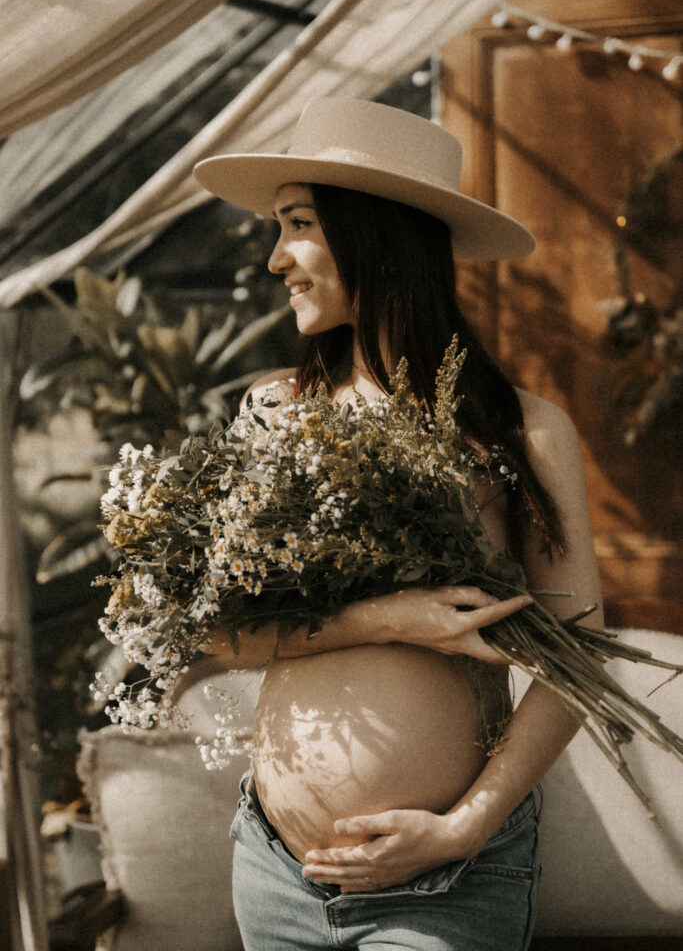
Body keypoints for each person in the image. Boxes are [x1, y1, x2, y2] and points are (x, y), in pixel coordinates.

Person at [191, 97, 604, 951]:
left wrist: (465, 827)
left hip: (445, 880)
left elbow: (578, 657)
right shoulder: (273, 412)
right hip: (273, 871)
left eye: (298, 225)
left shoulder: (520, 432)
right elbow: (215, 635)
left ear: (376, 235)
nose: (275, 259)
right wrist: (386, 620)